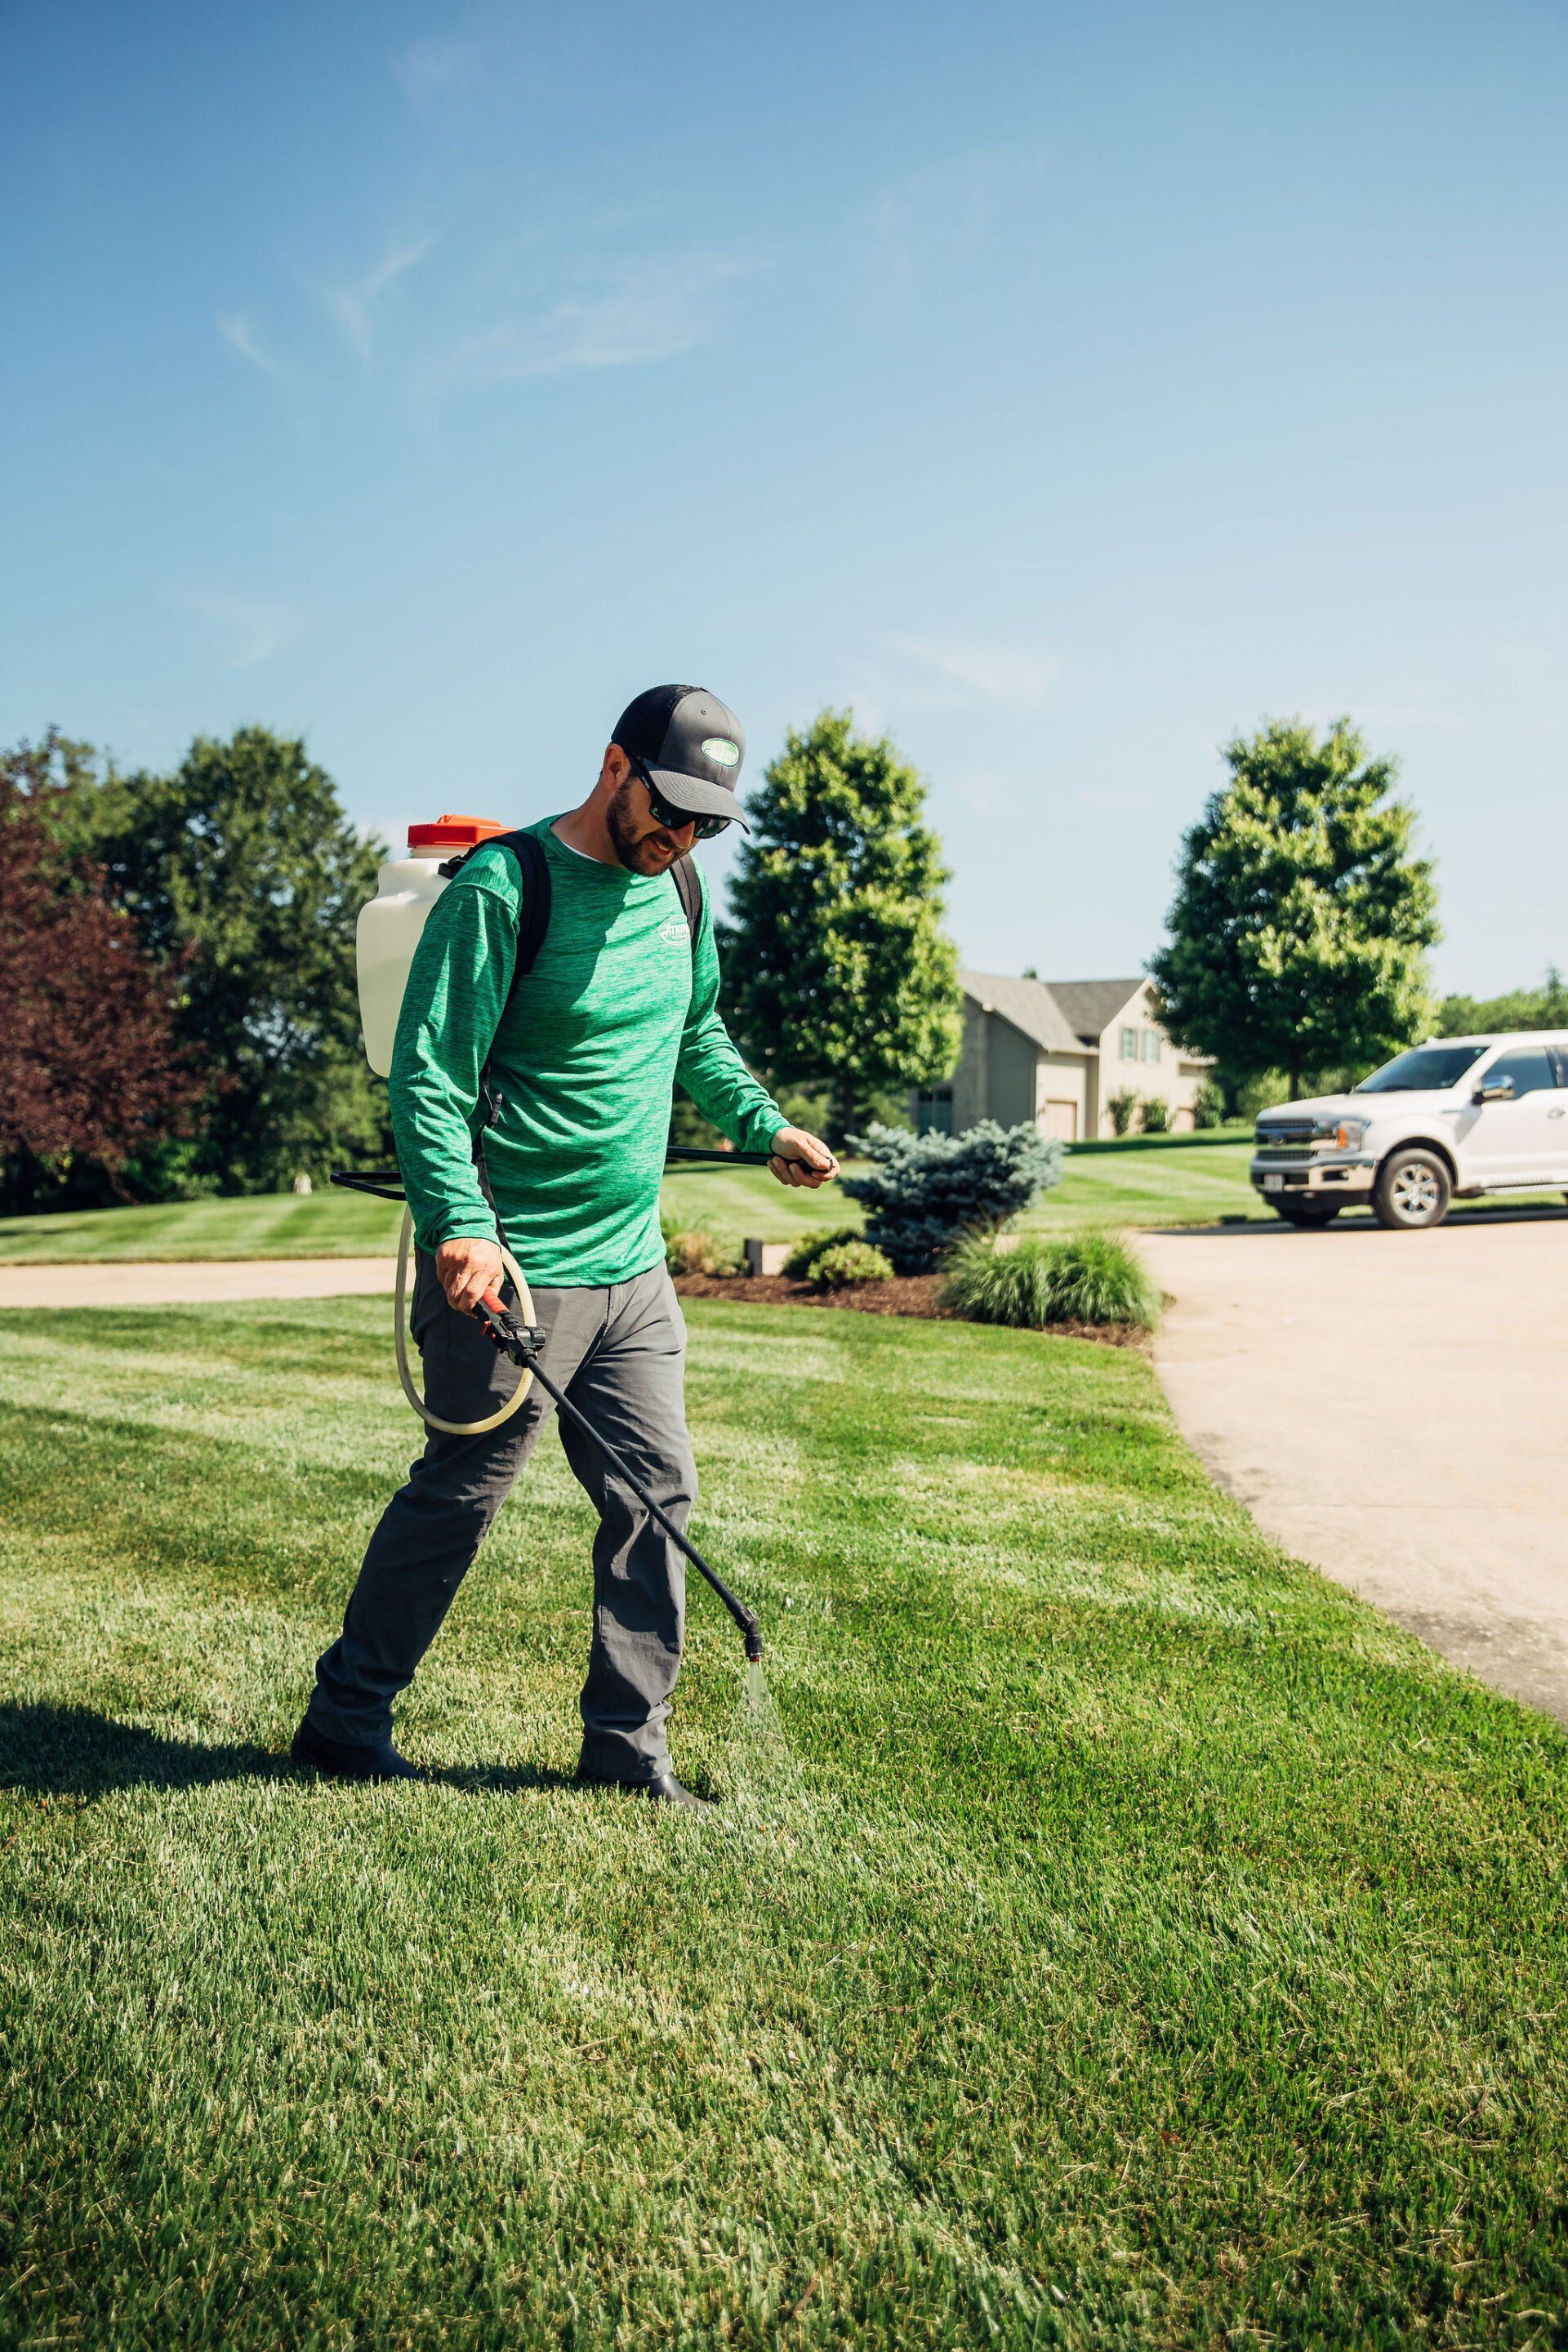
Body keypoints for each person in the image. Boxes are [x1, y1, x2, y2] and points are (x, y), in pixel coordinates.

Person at [292, 685, 837, 1802]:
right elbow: (430, 1079)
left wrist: (762, 1124)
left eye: (702, 823)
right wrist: (463, 1228)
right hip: (514, 1270)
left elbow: (699, 1033)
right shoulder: (508, 889)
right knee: (459, 1499)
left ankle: (627, 1750)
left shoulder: (681, 893)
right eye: (666, 809)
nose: (678, 837)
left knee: (658, 1497)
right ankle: (344, 1722)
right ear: (613, 767)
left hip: (631, 1267)